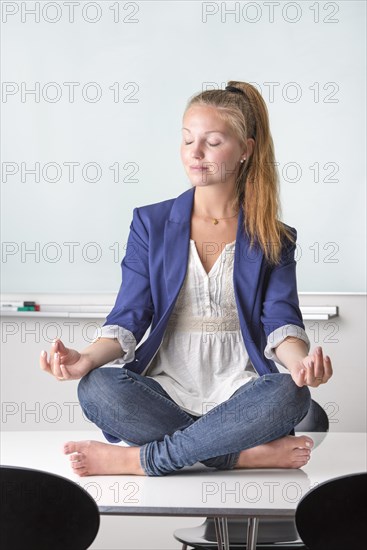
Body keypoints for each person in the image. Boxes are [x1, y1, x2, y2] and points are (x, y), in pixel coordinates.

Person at [40, 81, 333, 477]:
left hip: (241, 393)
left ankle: (139, 462)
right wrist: (85, 359)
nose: (195, 153)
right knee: (96, 388)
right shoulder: (151, 223)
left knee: (292, 395)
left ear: (245, 149)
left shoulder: (274, 236)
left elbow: (281, 319)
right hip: (164, 391)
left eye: (212, 142)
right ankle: (237, 455)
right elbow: (130, 314)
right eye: (187, 140)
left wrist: (301, 366)